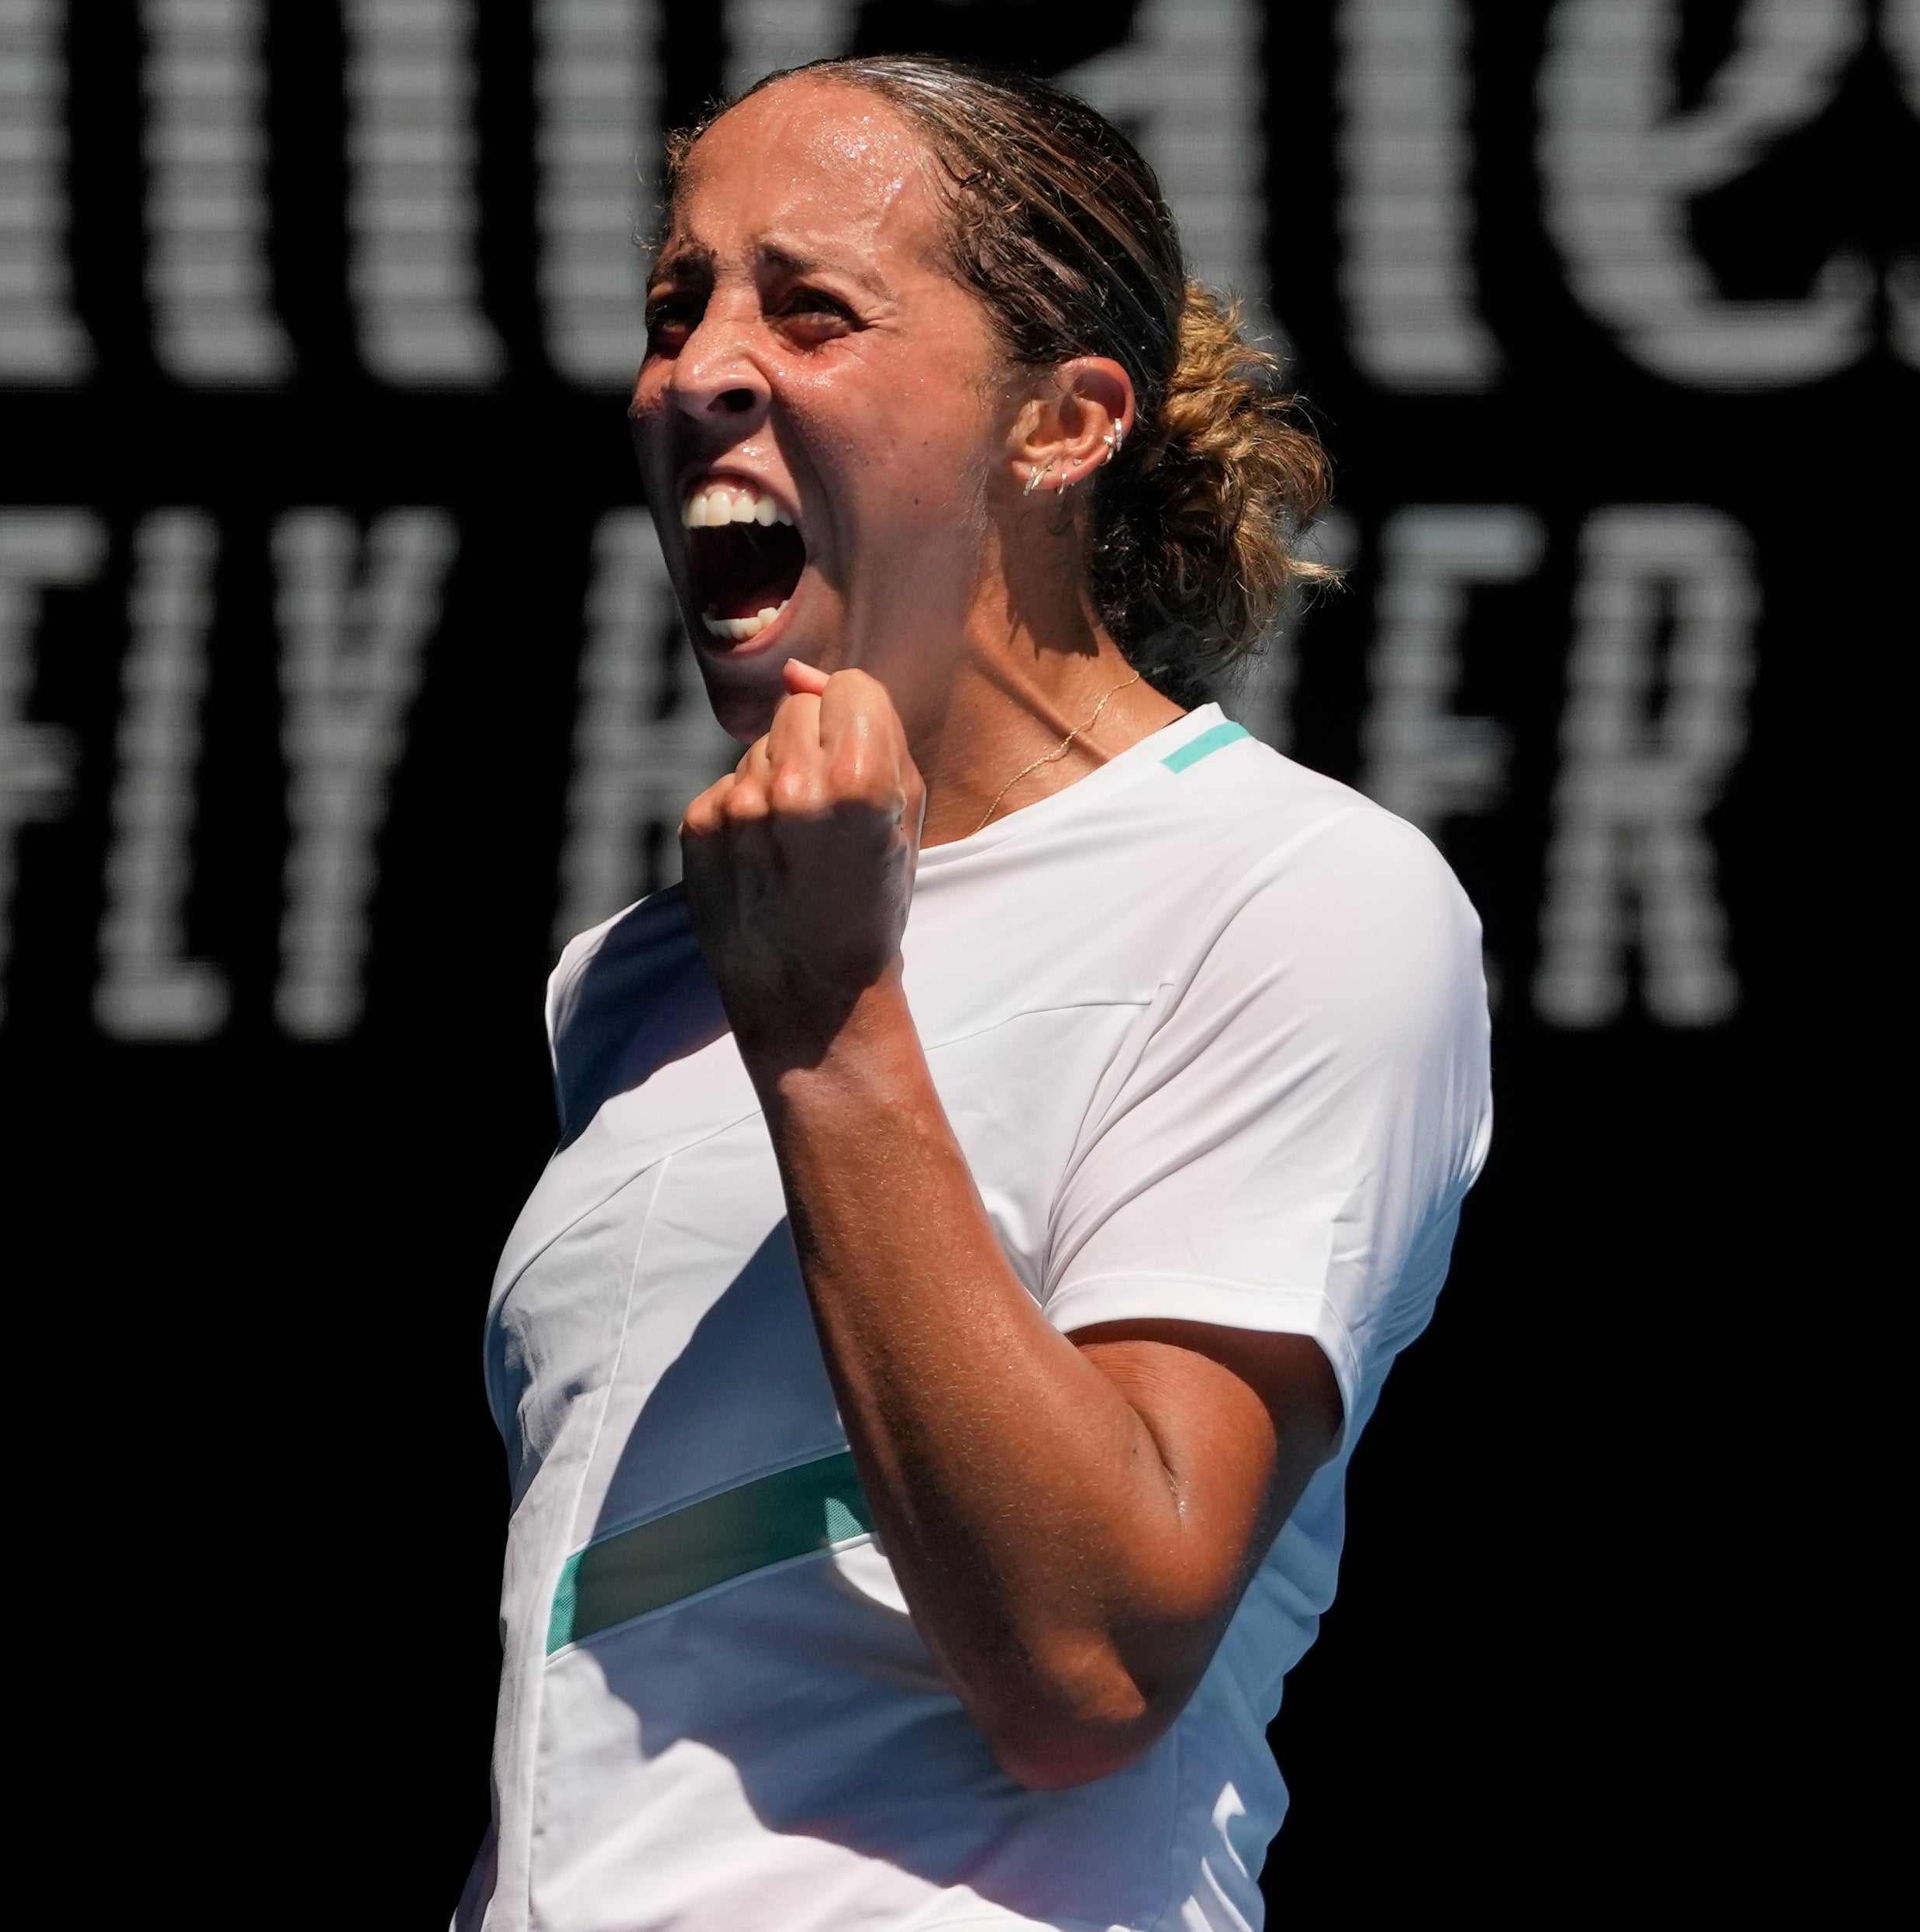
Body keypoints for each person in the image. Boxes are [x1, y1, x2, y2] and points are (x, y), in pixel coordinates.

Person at [458, 56, 1491, 1932]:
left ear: (1062, 425)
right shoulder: (634, 981)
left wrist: (832, 1032)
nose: (695, 372)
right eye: (676, 306)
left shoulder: (1299, 894)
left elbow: (1090, 1659)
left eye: (811, 305)